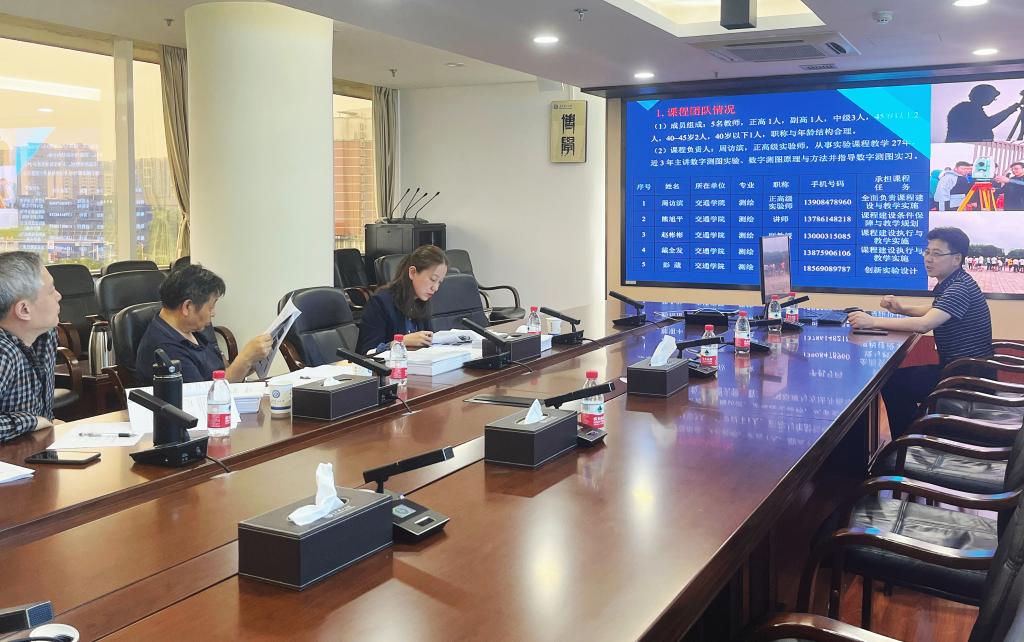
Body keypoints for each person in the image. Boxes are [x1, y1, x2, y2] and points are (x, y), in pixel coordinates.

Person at [849, 227, 992, 439]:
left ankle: (909, 441)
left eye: (937, 254)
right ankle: (916, 435)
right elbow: (936, 309)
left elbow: (925, 324)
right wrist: (901, 308)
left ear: (957, 259)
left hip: (967, 376)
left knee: (893, 383)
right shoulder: (955, 281)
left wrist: (872, 321)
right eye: (927, 252)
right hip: (964, 369)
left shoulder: (959, 288)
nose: (929, 259)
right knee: (895, 381)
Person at [135, 264, 273, 385]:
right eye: (211, 307)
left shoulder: (193, 328)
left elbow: (222, 371)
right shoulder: (165, 349)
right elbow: (205, 396)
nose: (213, 313)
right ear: (187, 307)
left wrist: (252, 362)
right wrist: (245, 358)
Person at [0, 251, 61, 442]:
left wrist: (47, 422)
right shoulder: (3, 353)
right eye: (51, 291)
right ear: (24, 310)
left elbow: (43, 418)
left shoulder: (46, 335)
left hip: (34, 449)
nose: (59, 296)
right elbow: (36, 421)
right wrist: (31, 422)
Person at [356, 245, 448, 354]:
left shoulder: (422, 301)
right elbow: (368, 352)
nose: (435, 288)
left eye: (439, 282)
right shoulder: (379, 303)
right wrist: (401, 341)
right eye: (433, 279)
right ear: (412, 272)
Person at [945, 84, 1021, 143]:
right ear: (983, 96)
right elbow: (987, 124)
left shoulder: (971, 108)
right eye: (992, 97)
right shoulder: (966, 108)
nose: (992, 100)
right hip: (963, 148)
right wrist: (1010, 110)